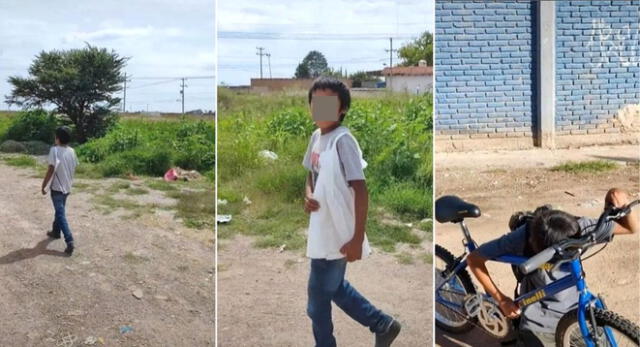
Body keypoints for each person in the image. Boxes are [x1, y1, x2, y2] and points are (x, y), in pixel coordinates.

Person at [466, 188, 639, 346]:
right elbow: (474, 259)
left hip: (576, 310)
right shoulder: (522, 237)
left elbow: (630, 228)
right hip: (539, 318)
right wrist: (501, 300)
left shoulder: (580, 227)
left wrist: (619, 200)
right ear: (539, 247)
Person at [302, 77, 401, 347]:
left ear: (342, 109)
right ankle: (383, 324)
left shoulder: (343, 141)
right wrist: (308, 194)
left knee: (317, 301)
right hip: (322, 227)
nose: (320, 109)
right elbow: (311, 175)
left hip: (339, 230)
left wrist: (357, 237)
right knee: (332, 287)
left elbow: (360, 189)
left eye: (327, 104)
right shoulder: (316, 138)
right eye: (316, 103)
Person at [41, 126, 79, 255]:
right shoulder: (72, 151)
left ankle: (69, 241)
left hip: (57, 188)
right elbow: (74, 166)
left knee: (60, 213)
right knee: (60, 210)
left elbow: (51, 169)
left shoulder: (54, 150)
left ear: (57, 138)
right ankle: (55, 231)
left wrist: (44, 185)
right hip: (67, 187)